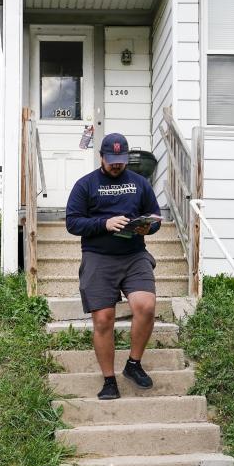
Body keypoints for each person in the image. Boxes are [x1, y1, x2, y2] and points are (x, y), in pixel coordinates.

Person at [66, 133, 162, 400]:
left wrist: (148, 225)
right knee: (103, 319)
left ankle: (133, 364)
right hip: (98, 256)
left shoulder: (140, 184)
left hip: (134, 255)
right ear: (101, 157)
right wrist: (104, 224)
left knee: (146, 306)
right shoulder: (85, 185)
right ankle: (109, 380)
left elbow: (155, 217)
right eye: (111, 161)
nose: (116, 165)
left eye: (121, 160)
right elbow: (73, 223)